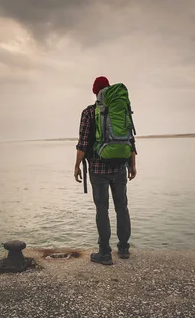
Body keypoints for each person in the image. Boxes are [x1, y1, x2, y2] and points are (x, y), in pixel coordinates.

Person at [73, 76, 137, 265]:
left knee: (102, 209)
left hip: (98, 168)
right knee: (122, 207)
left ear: (95, 92)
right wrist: (132, 165)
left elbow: (83, 144)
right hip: (119, 166)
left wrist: (76, 166)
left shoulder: (89, 112)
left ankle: (105, 253)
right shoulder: (121, 109)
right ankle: (124, 249)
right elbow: (130, 138)